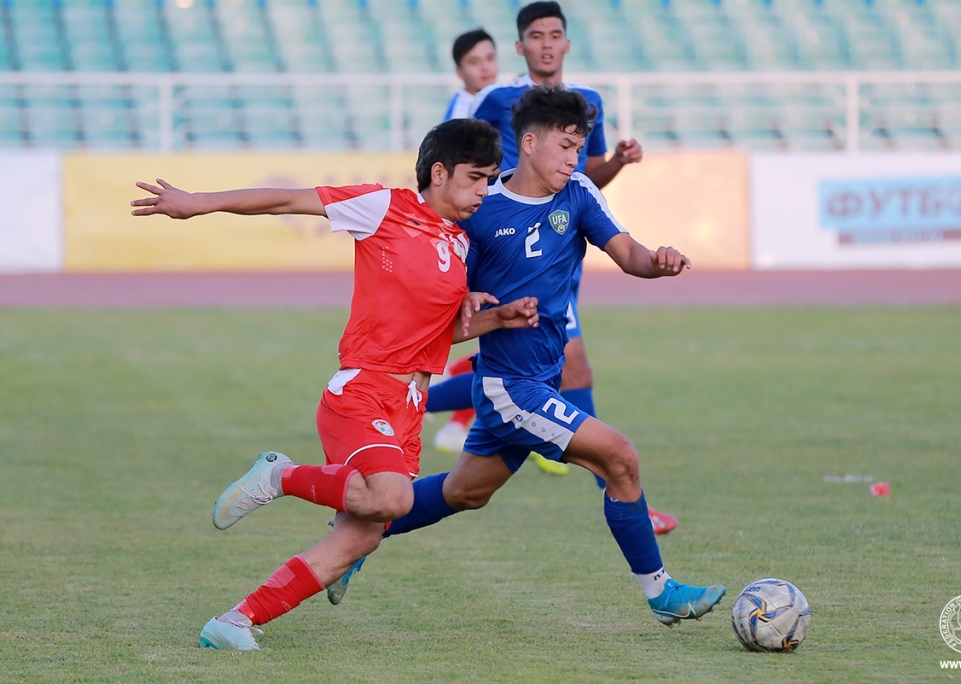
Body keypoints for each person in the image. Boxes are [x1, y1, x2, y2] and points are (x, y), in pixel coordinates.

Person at [130, 118, 541, 651]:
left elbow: (436, 333)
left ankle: (233, 621)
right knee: (392, 497)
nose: (484, 191)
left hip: (407, 406)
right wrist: (198, 203)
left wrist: (499, 318)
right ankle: (279, 476)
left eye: (489, 179)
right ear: (439, 173)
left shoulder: (461, 243)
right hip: (363, 390)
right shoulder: (383, 207)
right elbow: (285, 200)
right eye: (476, 177)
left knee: (363, 536)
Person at [338, 86, 726, 627]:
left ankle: (357, 536)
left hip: (541, 380)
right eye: (565, 147)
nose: (573, 159)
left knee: (465, 492)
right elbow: (445, 305)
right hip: (509, 387)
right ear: (528, 142)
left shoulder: (580, 193)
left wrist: (656, 262)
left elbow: (629, 254)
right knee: (620, 458)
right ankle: (661, 593)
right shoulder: (480, 208)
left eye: (579, 148)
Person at [427, 1, 678, 535]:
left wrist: (617, 163)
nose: (546, 44)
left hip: (558, 258)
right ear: (521, 46)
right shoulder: (496, 100)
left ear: (566, 43)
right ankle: (615, 482)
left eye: (554, 34)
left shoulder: (587, 105)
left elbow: (584, 178)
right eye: (536, 35)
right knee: (553, 369)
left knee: (469, 485)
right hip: (506, 254)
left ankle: (413, 421)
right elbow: (461, 168)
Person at [443, 28, 498, 121]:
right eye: (473, 62)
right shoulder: (460, 116)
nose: (485, 67)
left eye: (490, 58)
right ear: (459, 71)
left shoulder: (500, 97)